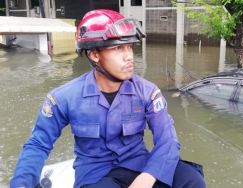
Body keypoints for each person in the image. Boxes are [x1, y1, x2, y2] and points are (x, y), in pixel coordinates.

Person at [10, 9, 205, 188]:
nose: (129, 56)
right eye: (118, 49)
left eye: (129, 47)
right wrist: (21, 183)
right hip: (96, 174)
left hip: (138, 164)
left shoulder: (147, 92)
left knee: (191, 180)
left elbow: (168, 141)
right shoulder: (63, 98)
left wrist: (148, 177)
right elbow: (38, 144)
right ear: (94, 54)